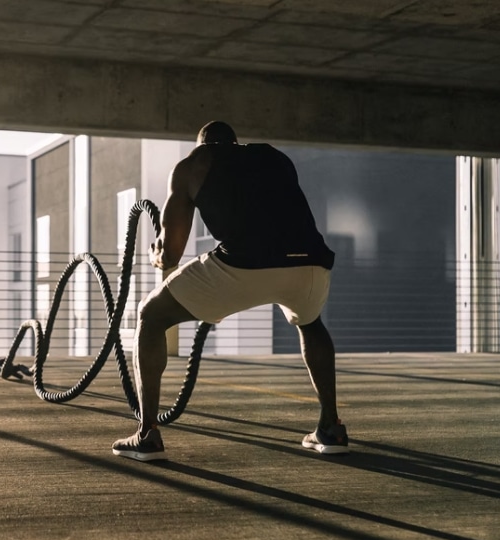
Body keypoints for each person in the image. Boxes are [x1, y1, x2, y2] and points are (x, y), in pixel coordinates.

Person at [112, 121, 348, 461]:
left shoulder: (193, 164)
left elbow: (172, 253)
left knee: (151, 315)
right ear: (235, 143)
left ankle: (147, 434)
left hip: (244, 265)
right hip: (310, 263)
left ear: (202, 144)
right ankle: (331, 428)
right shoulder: (273, 156)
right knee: (311, 324)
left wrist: (156, 253)